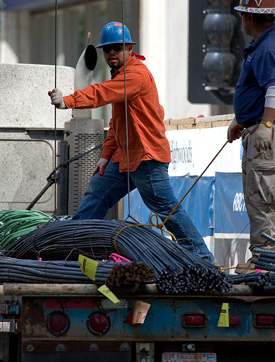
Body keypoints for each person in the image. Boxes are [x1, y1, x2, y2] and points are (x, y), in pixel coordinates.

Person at [48, 21, 215, 264]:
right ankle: (70, 247)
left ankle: (202, 259)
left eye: (117, 48)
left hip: (146, 159)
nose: (111, 53)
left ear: (130, 49)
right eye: (107, 49)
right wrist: (105, 156)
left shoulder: (136, 75)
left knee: (167, 210)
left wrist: (68, 101)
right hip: (125, 158)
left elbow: (101, 93)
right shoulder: (122, 76)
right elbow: (118, 123)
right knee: (97, 193)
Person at [227, 0, 275, 273]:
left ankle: (266, 263)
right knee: (267, 200)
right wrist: (242, 120)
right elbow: (262, 90)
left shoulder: (268, 47)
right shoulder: (268, 44)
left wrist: (266, 125)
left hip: (271, 132)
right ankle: (273, 259)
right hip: (265, 128)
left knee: (264, 202)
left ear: (249, 17)